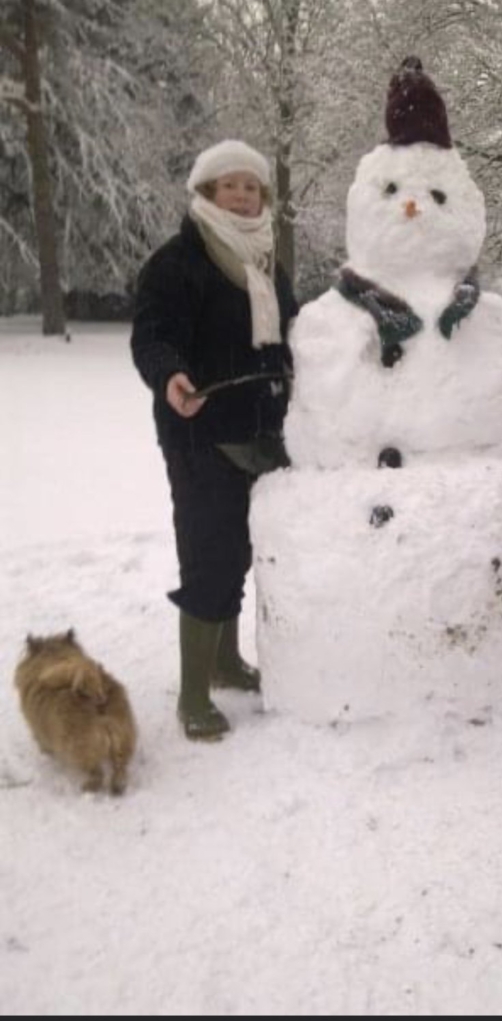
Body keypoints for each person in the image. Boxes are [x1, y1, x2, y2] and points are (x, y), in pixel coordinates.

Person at [131, 140, 298, 741]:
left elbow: (292, 338)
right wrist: (170, 373)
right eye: (229, 185)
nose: (243, 194)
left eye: (251, 186)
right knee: (209, 557)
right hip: (200, 432)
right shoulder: (179, 262)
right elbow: (151, 336)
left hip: (262, 433)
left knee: (243, 551)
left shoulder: (268, 265)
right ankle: (193, 695)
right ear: (206, 193)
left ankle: (226, 662)